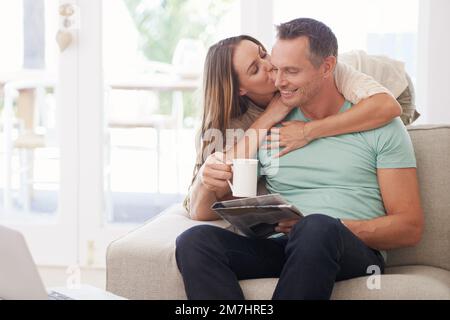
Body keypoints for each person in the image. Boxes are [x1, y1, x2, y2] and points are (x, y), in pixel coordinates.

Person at [176, 18, 424, 300]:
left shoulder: (382, 125)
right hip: (285, 246)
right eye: (275, 69)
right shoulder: (265, 128)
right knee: (195, 242)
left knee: (316, 226)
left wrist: (332, 226)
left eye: (291, 71)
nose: (278, 81)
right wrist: (210, 177)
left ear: (327, 67)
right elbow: (205, 208)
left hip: (351, 249)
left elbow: (410, 228)